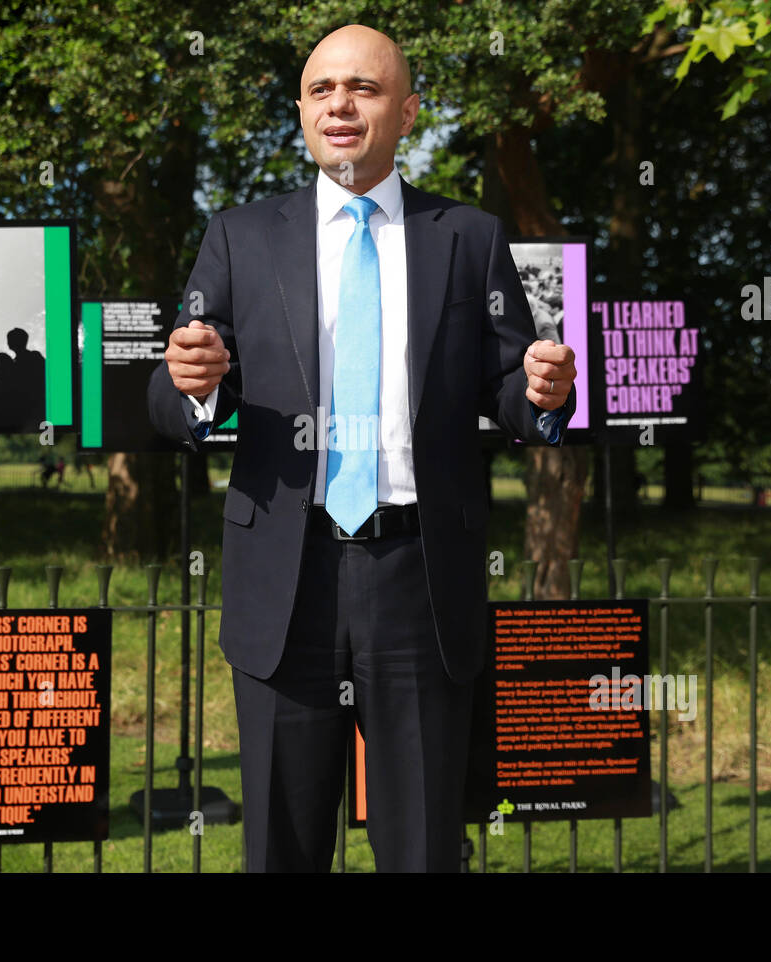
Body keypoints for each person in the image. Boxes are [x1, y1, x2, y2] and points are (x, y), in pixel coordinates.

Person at [147, 24, 577, 873]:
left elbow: (507, 388)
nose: (339, 104)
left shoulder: (469, 237)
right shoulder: (240, 235)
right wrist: (194, 379)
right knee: (283, 847)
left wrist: (539, 393)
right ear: (302, 112)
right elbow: (175, 394)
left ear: (408, 111)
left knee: (420, 849)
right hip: (285, 579)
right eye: (321, 90)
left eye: (365, 88)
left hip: (419, 579)